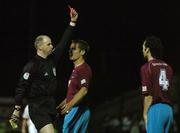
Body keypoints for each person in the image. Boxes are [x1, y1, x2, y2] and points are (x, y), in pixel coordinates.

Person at [9, 6, 78, 133]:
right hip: (37, 108)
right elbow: (21, 87)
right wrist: (17, 109)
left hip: (51, 106)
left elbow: (63, 43)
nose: (52, 45)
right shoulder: (32, 65)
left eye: (51, 43)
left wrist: (72, 23)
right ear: (40, 47)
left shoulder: (52, 59)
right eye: (49, 44)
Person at [56, 40, 92, 133]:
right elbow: (75, 92)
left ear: (82, 52)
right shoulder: (76, 69)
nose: (70, 51)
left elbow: (84, 90)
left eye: (74, 49)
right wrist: (63, 104)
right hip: (75, 108)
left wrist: (69, 105)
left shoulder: (83, 69)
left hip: (78, 109)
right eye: (70, 49)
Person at [140, 36, 173, 133]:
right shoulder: (168, 67)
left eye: (143, 48)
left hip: (156, 110)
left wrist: (145, 114)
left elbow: (148, 95)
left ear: (147, 49)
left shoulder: (146, 67)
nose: (142, 50)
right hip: (169, 110)